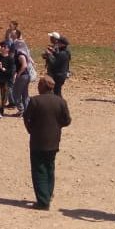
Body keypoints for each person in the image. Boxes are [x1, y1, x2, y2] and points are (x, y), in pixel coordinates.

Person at [23, 75, 72, 210]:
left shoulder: (35, 101)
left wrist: (31, 130)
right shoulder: (60, 101)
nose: (38, 87)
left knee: (39, 170)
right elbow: (67, 121)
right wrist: (57, 126)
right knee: (50, 167)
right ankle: (48, 194)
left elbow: (27, 118)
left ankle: (43, 201)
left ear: (43, 86)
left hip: (38, 140)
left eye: (39, 85)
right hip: (54, 140)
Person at [12, 39, 32, 116]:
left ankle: (21, 109)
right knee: (25, 94)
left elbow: (24, 66)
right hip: (26, 76)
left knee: (15, 93)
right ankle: (26, 111)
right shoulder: (25, 53)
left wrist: (18, 74)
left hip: (23, 76)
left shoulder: (20, 55)